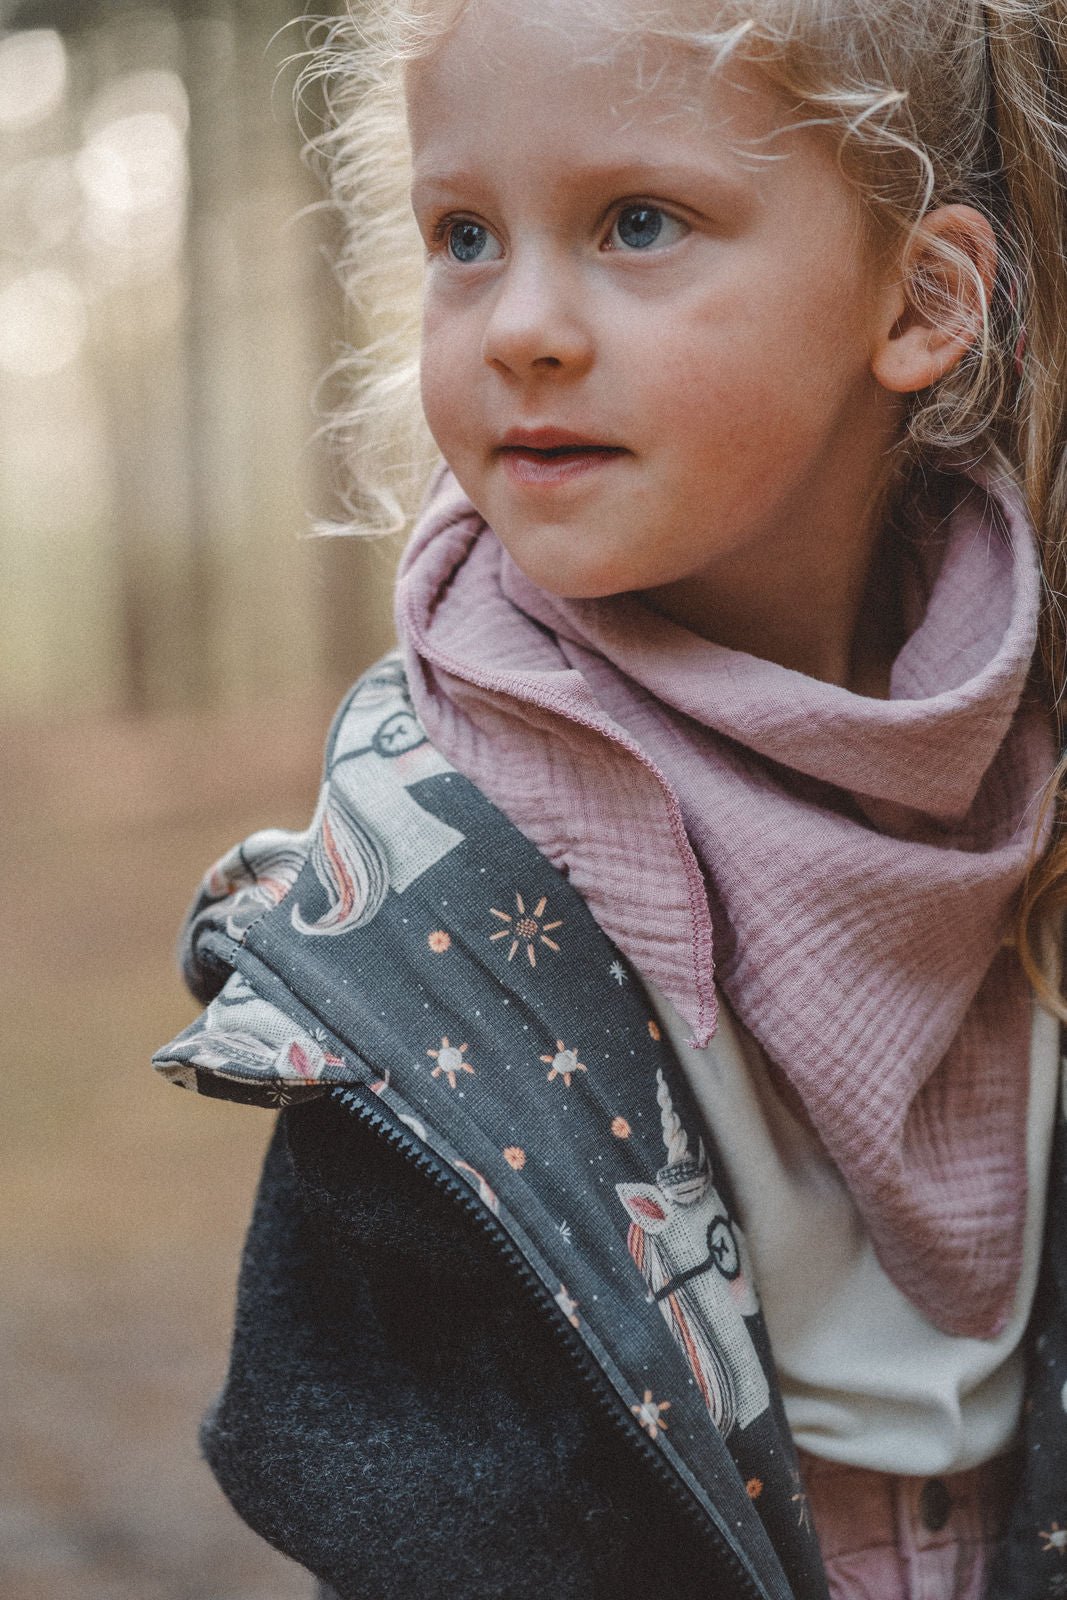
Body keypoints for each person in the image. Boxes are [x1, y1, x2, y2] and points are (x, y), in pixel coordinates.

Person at [154, 1, 1067, 1596]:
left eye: (637, 223)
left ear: (922, 299)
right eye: (462, 235)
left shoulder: (1032, 752)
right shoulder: (421, 898)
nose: (519, 324)